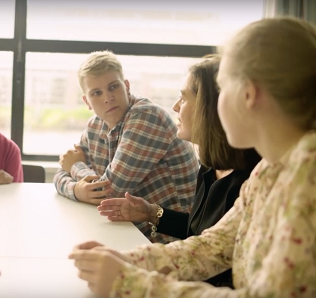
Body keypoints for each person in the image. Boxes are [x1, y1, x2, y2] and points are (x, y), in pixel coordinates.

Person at [69, 17, 316, 297]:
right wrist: (125, 260)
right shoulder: (271, 170)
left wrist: (129, 283)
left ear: (248, 94)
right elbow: (211, 247)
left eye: (222, 89)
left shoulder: (308, 178)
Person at [96, 55, 261, 287]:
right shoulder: (209, 165)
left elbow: (215, 263)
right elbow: (201, 236)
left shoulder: (251, 178)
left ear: (211, 107)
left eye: (184, 98)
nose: (175, 106)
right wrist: (151, 213)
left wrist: (140, 280)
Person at [54, 50, 199, 243]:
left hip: (172, 240)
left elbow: (109, 192)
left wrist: (75, 168)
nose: (108, 98)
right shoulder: (95, 126)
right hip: (128, 233)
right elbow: (60, 174)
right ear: (87, 101)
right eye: (96, 93)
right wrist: (77, 190)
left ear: (127, 86)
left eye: (113, 87)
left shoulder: (146, 117)